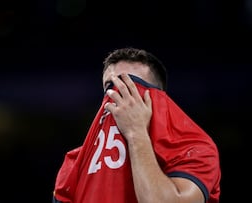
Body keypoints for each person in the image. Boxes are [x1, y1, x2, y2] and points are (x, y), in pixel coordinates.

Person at [52, 47, 221, 203]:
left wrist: (136, 132)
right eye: (110, 89)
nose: (118, 96)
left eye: (132, 87)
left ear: (159, 98)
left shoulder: (193, 146)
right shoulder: (75, 162)